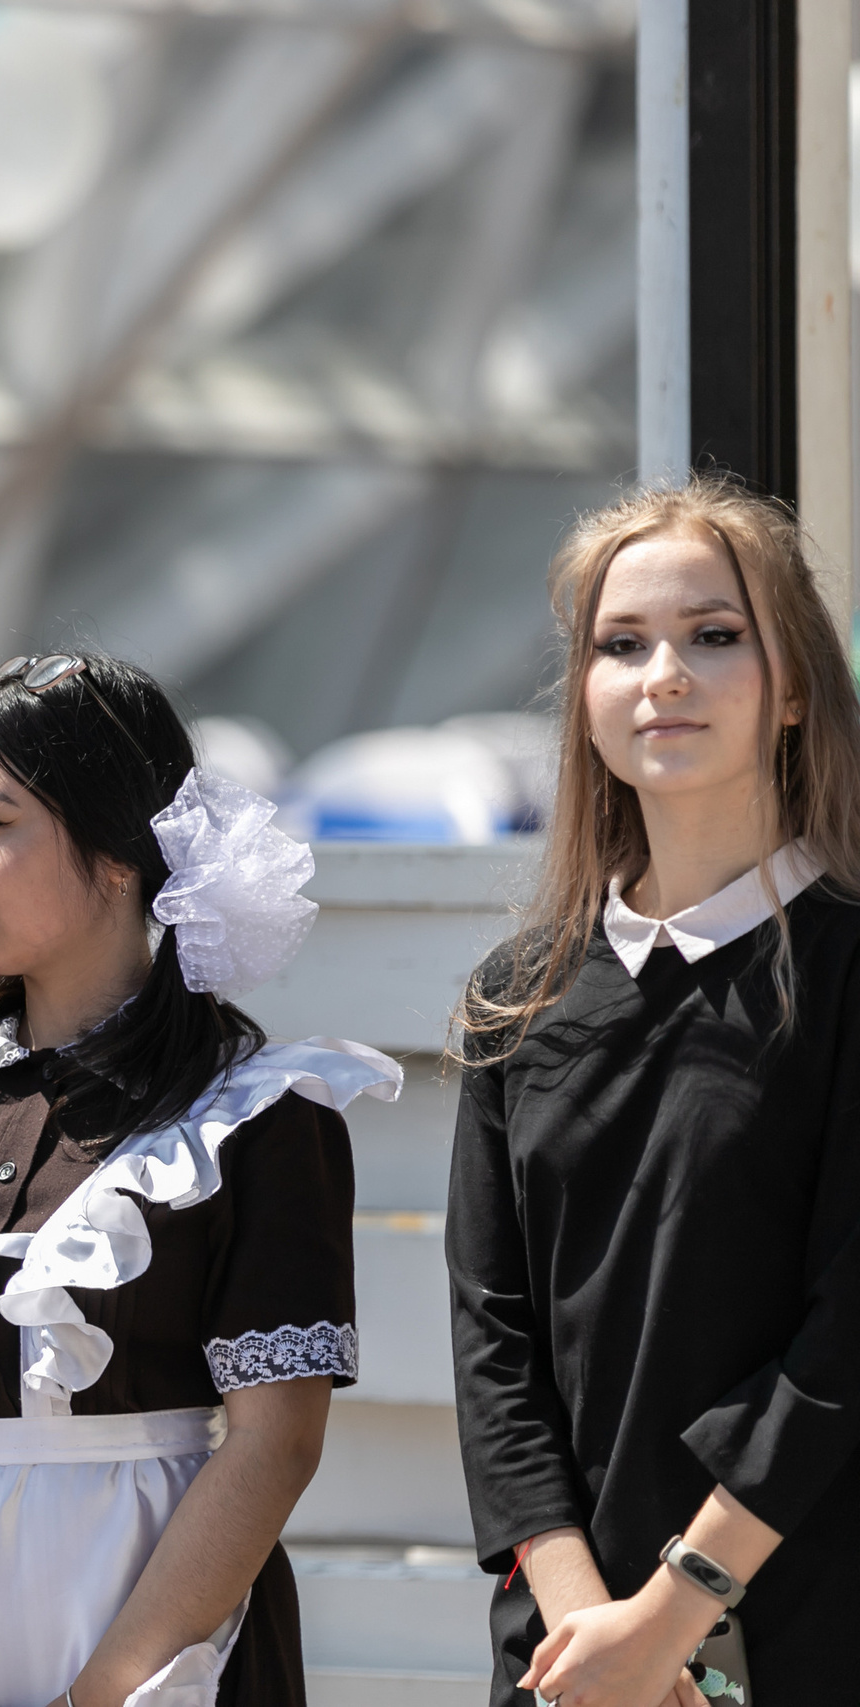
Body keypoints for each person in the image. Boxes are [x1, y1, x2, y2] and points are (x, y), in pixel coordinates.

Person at [0, 652, 400, 1707]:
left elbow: (274, 1442)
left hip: (162, 1651)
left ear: (120, 851)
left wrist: (104, 1695)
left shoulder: (257, 1113)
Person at [448, 478, 860, 1707]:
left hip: (797, 1627)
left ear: (791, 689)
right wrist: (589, 1630)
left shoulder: (843, 969)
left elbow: (843, 1342)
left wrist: (678, 1611)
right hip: (568, 1658)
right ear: (582, 698)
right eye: (620, 645)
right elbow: (493, 1347)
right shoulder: (511, 999)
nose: (661, 674)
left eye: (713, 636)